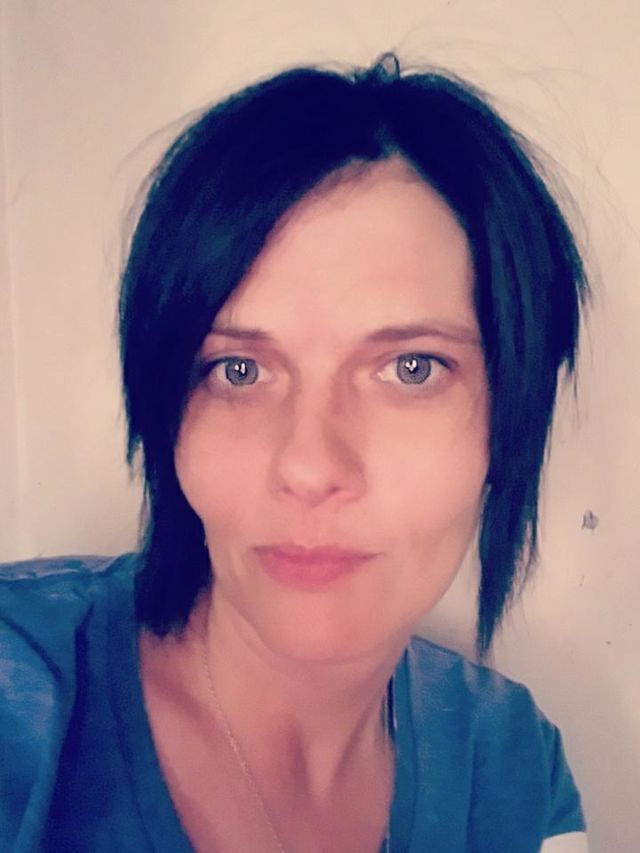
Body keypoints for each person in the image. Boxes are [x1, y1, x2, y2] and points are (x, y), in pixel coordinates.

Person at [0, 53, 590, 852]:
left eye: (412, 368)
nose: (310, 466)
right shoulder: (21, 696)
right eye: (237, 370)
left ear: (513, 414)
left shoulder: (514, 765)